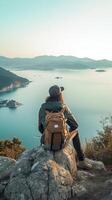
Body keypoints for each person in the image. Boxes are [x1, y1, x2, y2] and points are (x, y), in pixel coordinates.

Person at [38, 85, 92, 169]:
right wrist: (63, 131)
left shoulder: (43, 108)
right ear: (60, 95)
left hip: (47, 144)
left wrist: (50, 132)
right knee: (76, 131)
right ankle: (81, 161)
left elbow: (40, 128)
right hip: (62, 143)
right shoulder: (63, 107)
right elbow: (75, 125)